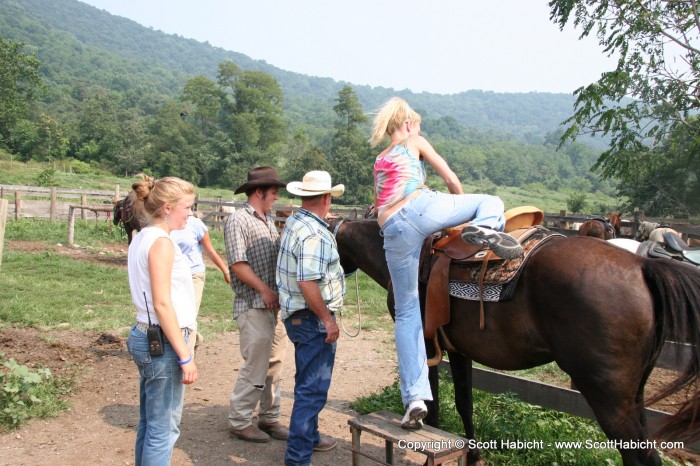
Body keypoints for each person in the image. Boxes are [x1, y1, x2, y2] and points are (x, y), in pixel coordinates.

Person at [369, 97, 523, 430]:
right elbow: (451, 179)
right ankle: (479, 231)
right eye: (417, 125)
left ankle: (414, 399)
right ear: (408, 124)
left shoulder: (380, 159)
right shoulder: (415, 140)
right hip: (420, 207)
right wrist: (458, 213)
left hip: (391, 230)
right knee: (490, 201)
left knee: (408, 310)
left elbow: (378, 202)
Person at [126, 174, 198, 465]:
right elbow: (162, 303)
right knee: (164, 428)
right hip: (164, 342)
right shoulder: (162, 244)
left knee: (150, 422)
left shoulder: (141, 237)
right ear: (167, 208)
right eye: (187, 207)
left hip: (145, 334)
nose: (191, 214)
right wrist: (184, 354)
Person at [276, 170, 345, 466]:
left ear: (304, 196)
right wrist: (328, 319)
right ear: (327, 198)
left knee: (307, 380)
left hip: (297, 317)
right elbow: (308, 282)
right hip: (312, 319)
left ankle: (311, 437)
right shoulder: (315, 233)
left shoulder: (295, 221)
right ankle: (297, 459)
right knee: (312, 390)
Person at [224, 166, 289, 443]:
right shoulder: (238, 220)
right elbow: (238, 264)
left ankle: (269, 418)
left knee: (275, 363)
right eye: (273, 192)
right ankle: (239, 420)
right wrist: (264, 289)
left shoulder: (267, 219)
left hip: (272, 305)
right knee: (256, 364)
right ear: (259, 192)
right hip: (253, 304)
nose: (276, 197)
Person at [171, 213, 231, 348]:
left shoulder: (195, 224)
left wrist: (225, 270)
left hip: (194, 275)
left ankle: (188, 354)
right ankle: (195, 338)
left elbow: (210, 250)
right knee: (174, 314)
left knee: (189, 316)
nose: (189, 210)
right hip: (173, 275)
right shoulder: (166, 224)